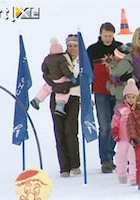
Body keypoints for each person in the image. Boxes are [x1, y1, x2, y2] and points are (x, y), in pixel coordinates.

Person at [87, 22, 123, 173]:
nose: (108, 38)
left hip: (117, 92)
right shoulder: (92, 50)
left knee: (117, 126)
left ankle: (111, 154)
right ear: (100, 34)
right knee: (105, 126)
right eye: (105, 35)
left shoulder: (120, 48)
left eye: (110, 36)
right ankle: (106, 159)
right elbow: (87, 73)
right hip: (100, 92)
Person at [48, 34, 81, 177]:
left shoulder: (83, 60)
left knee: (71, 131)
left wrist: (67, 86)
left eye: (75, 46)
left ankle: (75, 164)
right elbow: (47, 74)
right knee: (59, 131)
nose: (72, 48)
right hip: (57, 96)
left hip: (73, 97)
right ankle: (64, 167)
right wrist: (57, 87)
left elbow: (82, 79)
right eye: (70, 46)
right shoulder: (59, 57)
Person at [30, 38, 79, 116]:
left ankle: (37, 99)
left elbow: (43, 68)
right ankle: (59, 107)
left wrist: (49, 75)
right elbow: (65, 70)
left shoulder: (48, 58)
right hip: (61, 79)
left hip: (52, 78)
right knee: (62, 93)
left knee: (46, 88)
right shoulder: (62, 58)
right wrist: (71, 77)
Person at [111, 78, 139, 186]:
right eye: (128, 97)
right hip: (122, 138)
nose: (131, 99)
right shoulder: (121, 109)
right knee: (120, 157)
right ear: (125, 97)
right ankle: (122, 174)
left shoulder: (138, 110)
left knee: (133, 158)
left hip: (134, 139)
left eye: (133, 97)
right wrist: (115, 130)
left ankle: (133, 177)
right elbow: (115, 120)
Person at [105, 43, 134, 108]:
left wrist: (110, 86)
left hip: (122, 96)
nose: (114, 57)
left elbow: (114, 87)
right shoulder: (115, 64)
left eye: (117, 56)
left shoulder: (124, 65)